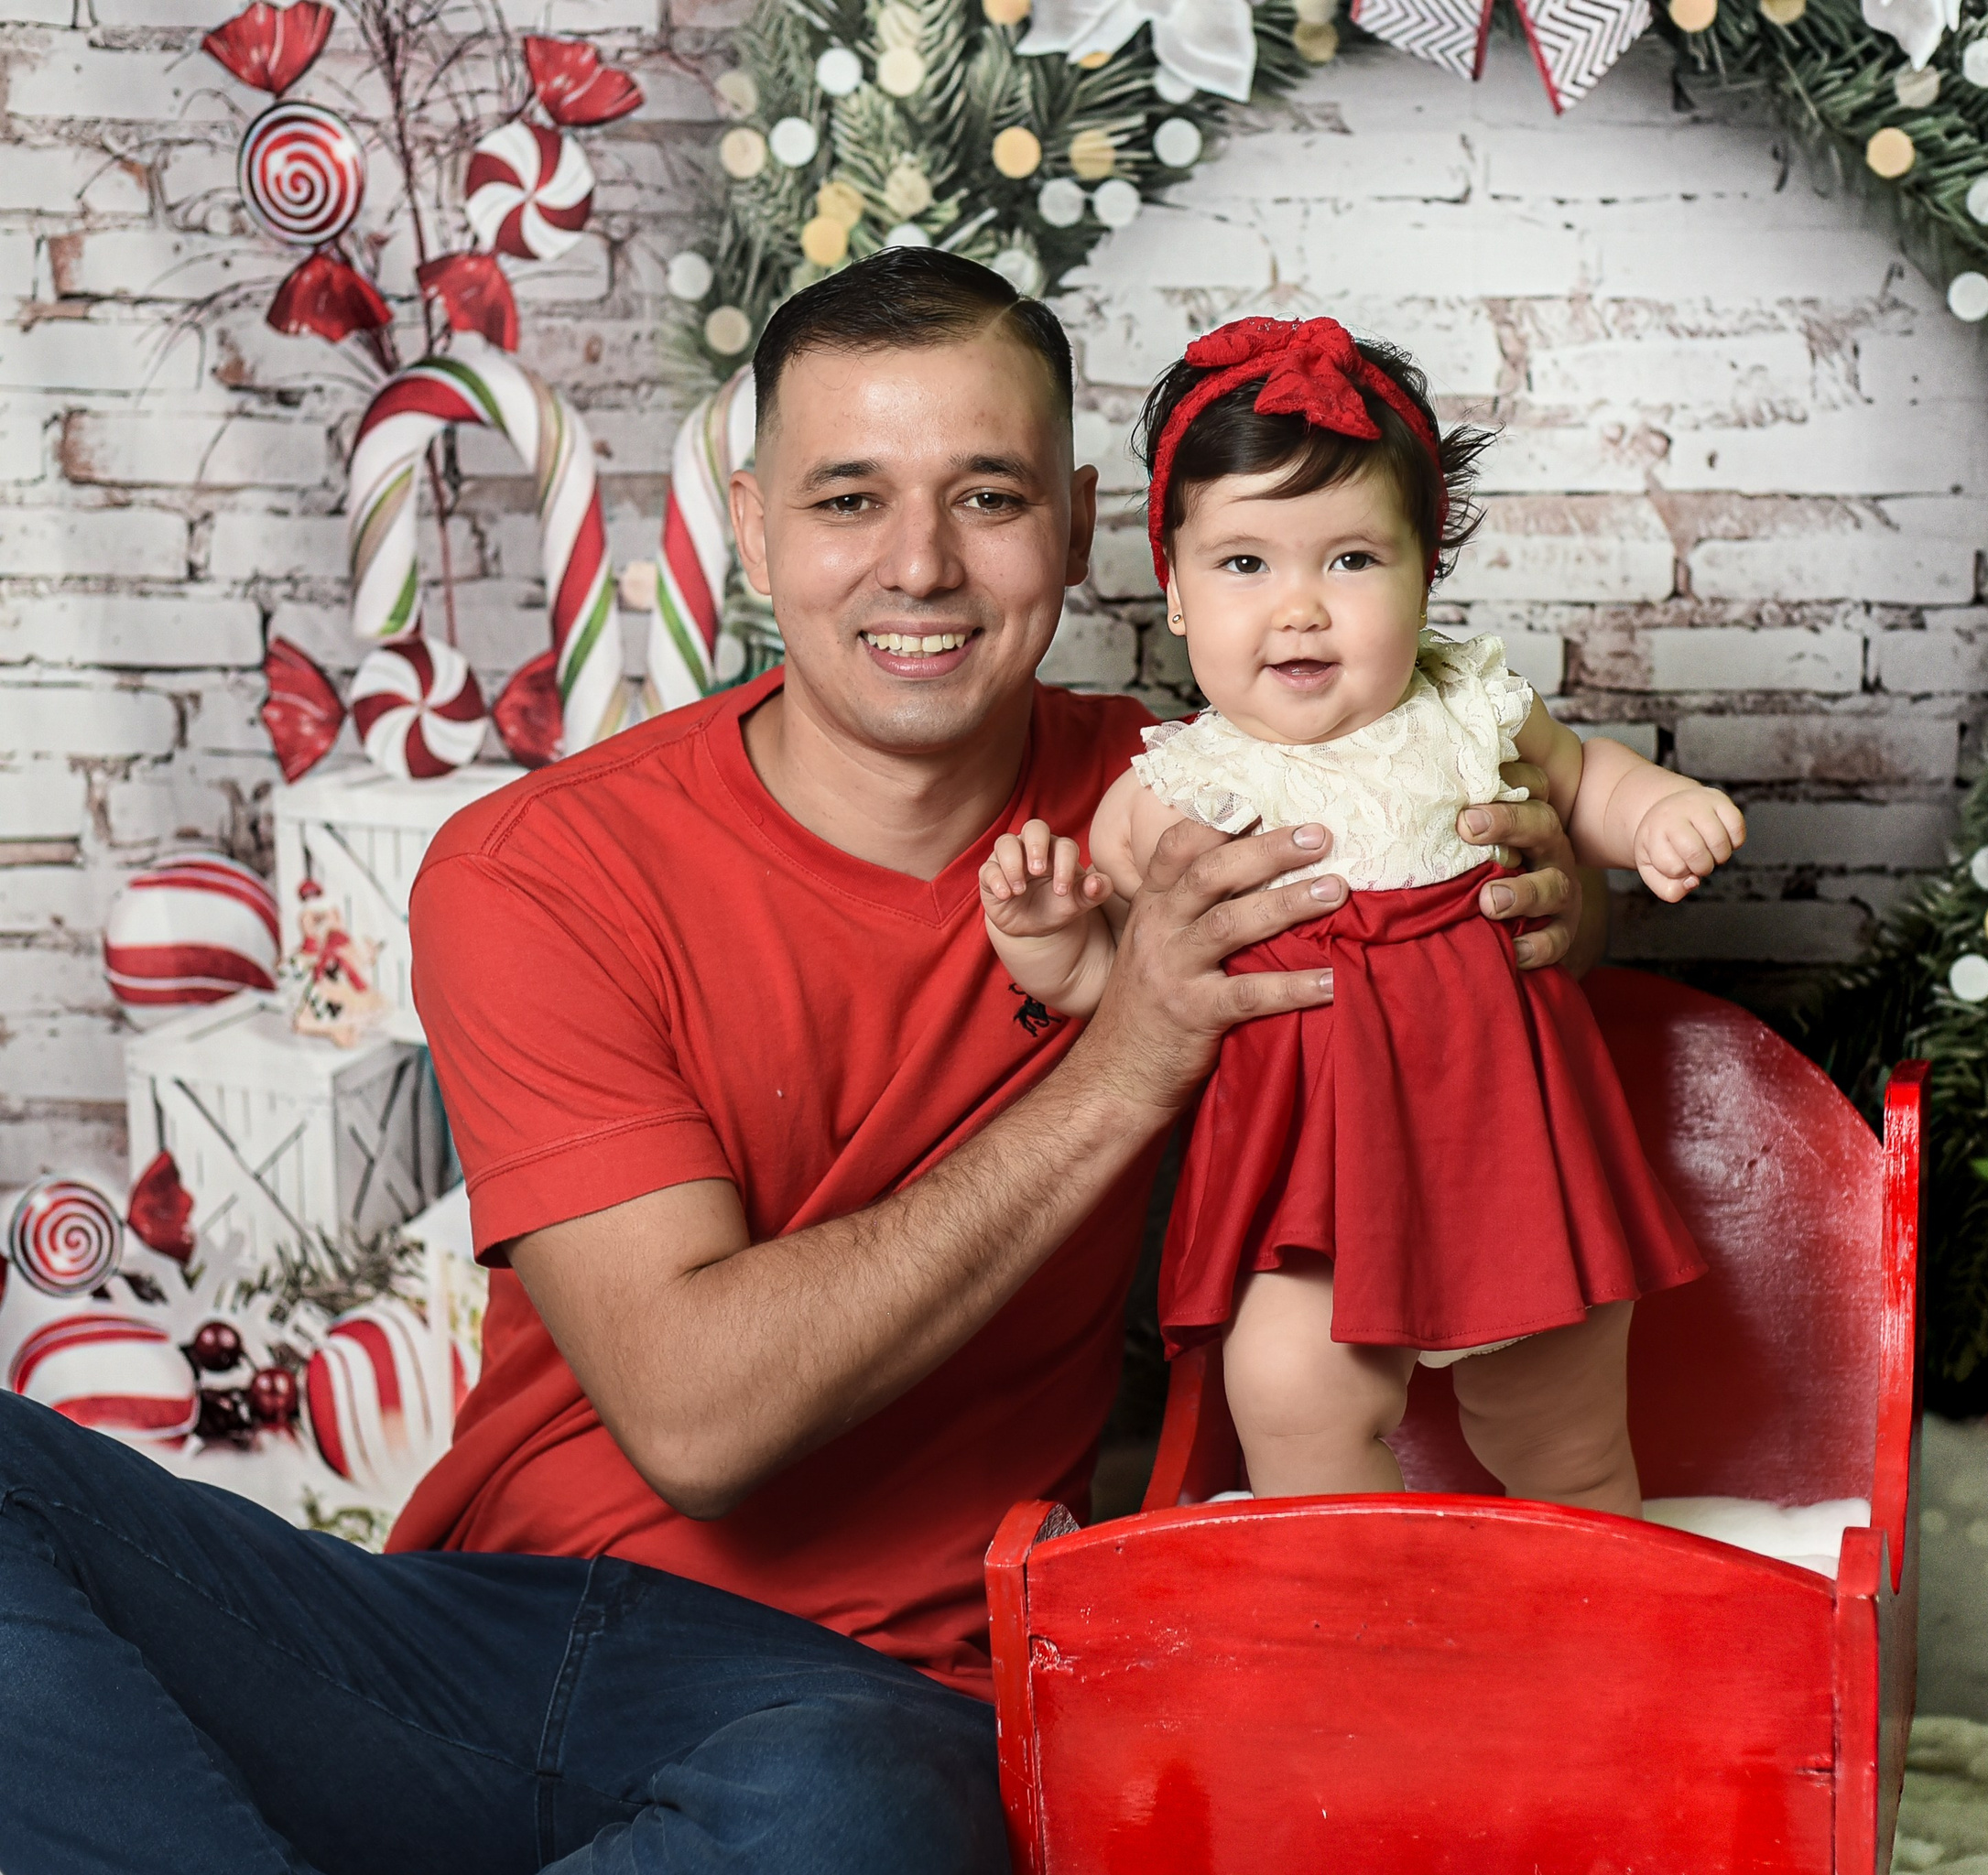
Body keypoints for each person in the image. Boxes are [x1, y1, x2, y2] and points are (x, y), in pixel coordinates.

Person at [0, 248, 1591, 1875]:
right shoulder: (539, 869)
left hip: (872, 1709)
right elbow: (696, 1421)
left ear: (1082, 524)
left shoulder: (1212, 800)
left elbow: (1470, 937)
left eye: (985, 497)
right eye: (847, 502)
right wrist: (1128, 1058)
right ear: (755, 529)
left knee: (858, 1812)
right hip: (474, 1644)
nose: (921, 566)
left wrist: (1550, 892)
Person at [980, 315, 1743, 1513]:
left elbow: (1582, 779)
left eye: (1350, 562)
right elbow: (1125, 982)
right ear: (1173, 592)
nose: (1300, 610)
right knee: (1287, 1387)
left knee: (1558, 1414)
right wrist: (1056, 942)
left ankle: (1590, 1592)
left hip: (1504, 1142)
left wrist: (1654, 814)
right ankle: (1352, 1607)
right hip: (1312, 1172)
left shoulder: (1465, 713)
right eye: (1245, 565)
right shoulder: (1177, 785)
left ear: (1425, 573)